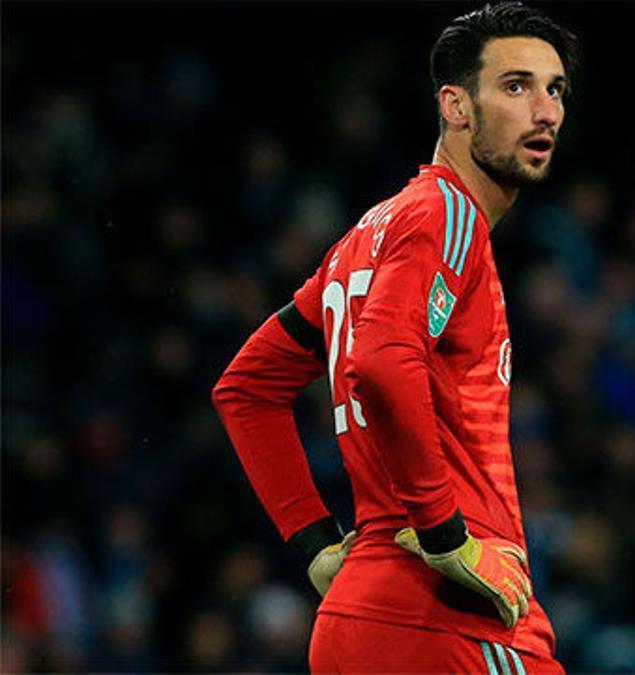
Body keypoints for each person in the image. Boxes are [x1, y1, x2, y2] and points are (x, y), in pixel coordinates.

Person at [211, 3, 578, 672]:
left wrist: (320, 545)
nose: (545, 111)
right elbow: (381, 361)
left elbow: (246, 388)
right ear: (456, 106)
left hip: (358, 615)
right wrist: (448, 536)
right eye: (516, 85)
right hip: (448, 616)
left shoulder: (366, 236)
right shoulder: (448, 216)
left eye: (555, 90)